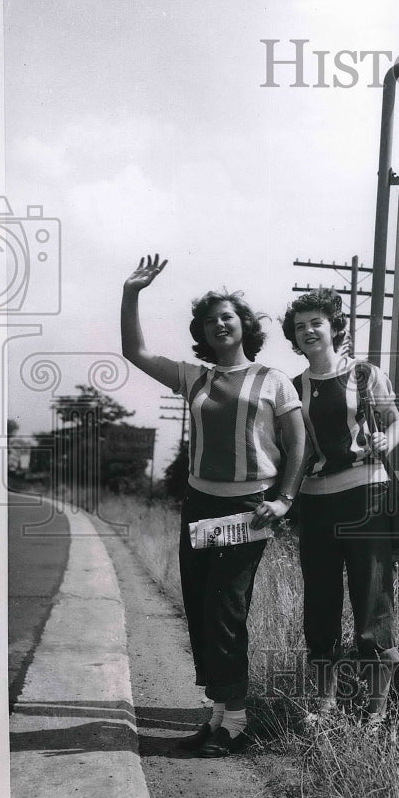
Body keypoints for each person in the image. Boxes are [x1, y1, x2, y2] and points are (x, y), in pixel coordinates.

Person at [121, 254, 308, 757]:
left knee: (226, 609)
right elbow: (135, 351)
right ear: (203, 333)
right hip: (200, 506)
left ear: (244, 325)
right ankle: (218, 716)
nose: (219, 324)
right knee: (202, 610)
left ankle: (238, 722)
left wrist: (284, 500)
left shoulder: (274, 379)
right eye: (210, 320)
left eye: (227, 316)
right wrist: (132, 292)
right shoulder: (194, 378)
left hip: (249, 509)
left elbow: (299, 446)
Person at [281, 287, 399, 727]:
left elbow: (395, 421)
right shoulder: (291, 388)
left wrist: (386, 439)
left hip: (365, 494)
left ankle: (377, 709)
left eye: (316, 322)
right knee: (320, 601)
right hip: (315, 501)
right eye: (300, 327)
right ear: (294, 340)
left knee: (372, 599)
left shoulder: (365, 375)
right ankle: (325, 704)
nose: (309, 331)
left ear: (335, 327)